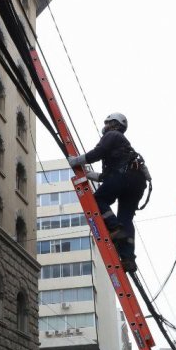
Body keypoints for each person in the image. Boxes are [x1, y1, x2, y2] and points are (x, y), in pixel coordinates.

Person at [67, 113, 150, 272]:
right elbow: (108, 176)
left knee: (98, 199)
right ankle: (128, 258)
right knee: (126, 218)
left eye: (107, 122)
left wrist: (76, 161)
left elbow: (98, 153)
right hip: (137, 183)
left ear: (115, 124)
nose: (104, 125)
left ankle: (114, 228)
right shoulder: (124, 149)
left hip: (124, 177)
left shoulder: (112, 135)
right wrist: (89, 175)